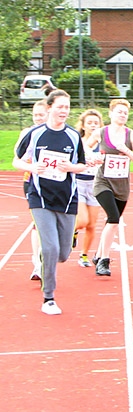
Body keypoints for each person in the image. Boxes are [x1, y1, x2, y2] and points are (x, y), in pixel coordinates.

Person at [12, 90, 88, 315]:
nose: (64, 111)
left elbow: (82, 165)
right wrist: (32, 167)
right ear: (49, 108)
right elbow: (17, 160)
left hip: (66, 199)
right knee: (50, 248)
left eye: (67, 107)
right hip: (39, 197)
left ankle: (50, 255)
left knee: (63, 254)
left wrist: (70, 168)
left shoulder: (73, 136)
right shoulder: (35, 134)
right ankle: (49, 298)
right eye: (60, 107)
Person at [86, 99, 133, 276]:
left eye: (125, 112)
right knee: (113, 218)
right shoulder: (101, 133)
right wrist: (94, 157)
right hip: (103, 182)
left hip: (122, 185)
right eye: (119, 111)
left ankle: (98, 254)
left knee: (112, 221)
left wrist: (126, 151)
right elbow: (85, 149)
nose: (122, 115)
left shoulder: (131, 135)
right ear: (110, 114)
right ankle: (104, 261)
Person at [15, 99, 48, 280]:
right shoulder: (27, 132)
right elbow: (17, 157)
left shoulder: (58, 133)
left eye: (41, 115)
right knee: (38, 223)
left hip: (55, 185)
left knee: (52, 225)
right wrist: (31, 166)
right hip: (32, 182)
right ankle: (37, 263)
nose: (37, 118)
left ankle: (46, 258)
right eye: (35, 115)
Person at [73, 109, 104, 267]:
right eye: (89, 123)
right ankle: (73, 230)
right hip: (78, 183)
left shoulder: (102, 144)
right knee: (82, 221)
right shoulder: (77, 142)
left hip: (95, 185)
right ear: (83, 126)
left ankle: (84, 255)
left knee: (91, 224)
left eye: (96, 123)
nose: (93, 126)